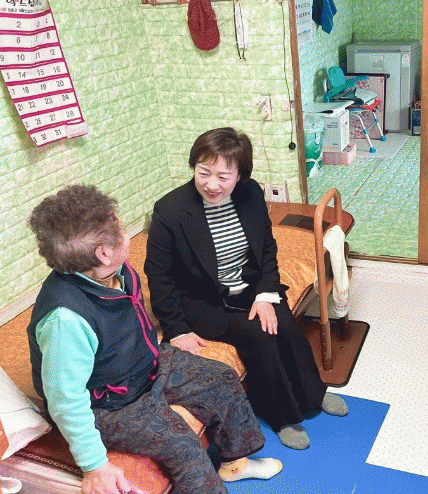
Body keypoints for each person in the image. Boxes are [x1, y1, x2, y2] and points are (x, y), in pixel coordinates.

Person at [27, 185, 282, 494]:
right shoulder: (65, 319)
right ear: (104, 252)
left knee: (222, 378)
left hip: (145, 363)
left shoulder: (114, 270)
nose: (126, 230)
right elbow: (65, 401)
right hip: (108, 403)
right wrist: (94, 466)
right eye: (121, 226)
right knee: (183, 444)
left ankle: (235, 465)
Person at [145, 127, 348, 451]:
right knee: (259, 336)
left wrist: (266, 294)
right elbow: (159, 276)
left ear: (240, 175)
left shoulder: (251, 194)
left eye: (223, 176)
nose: (212, 184)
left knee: (286, 326)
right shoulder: (170, 210)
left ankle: (314, 394)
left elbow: (266, 248)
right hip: (204, 300)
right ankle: (283, 417)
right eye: (203, 173)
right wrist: (177, 330)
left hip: (250, 286)